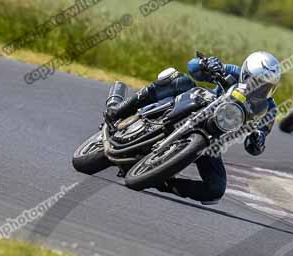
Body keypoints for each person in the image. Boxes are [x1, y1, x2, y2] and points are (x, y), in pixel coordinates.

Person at [105, 52, 281, 204]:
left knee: (215, 190)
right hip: (200, 102)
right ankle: (120, 109)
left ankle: (160, 181)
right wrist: (206, 64)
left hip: (212, 141)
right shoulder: (232, 72)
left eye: (265, 86)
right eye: (256, 82)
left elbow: (259, 139)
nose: (258, 88)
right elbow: (193, 67)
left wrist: (257, 140)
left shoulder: (269, 108)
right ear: (245, 73)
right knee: (177, 78)